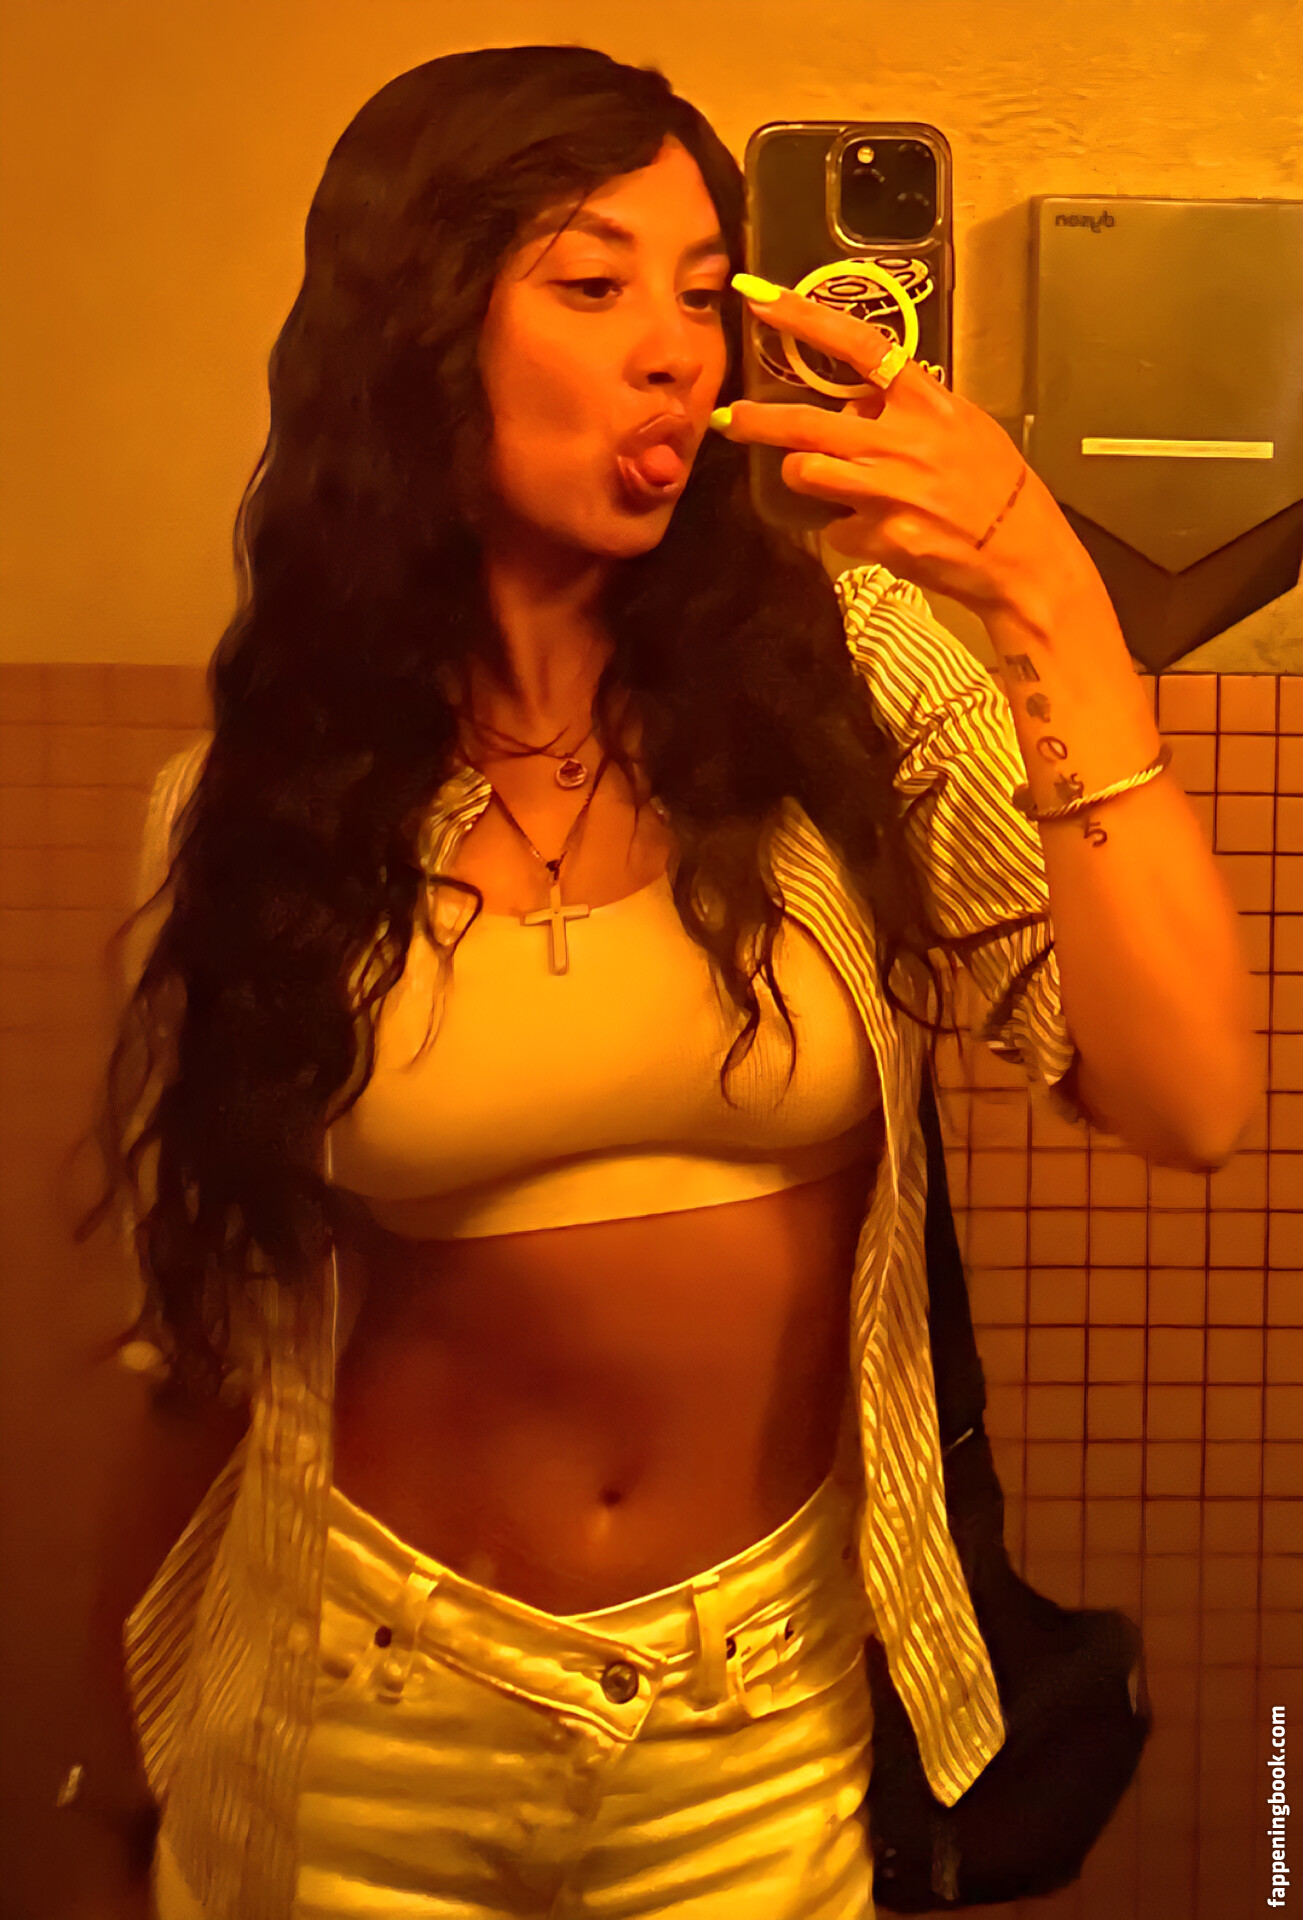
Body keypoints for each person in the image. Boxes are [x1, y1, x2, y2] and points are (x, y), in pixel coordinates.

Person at [68, 42, 1256, 1920]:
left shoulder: (847, 675)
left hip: (759, 1737)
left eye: (703, 296)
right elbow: (198, 1348)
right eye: (593, 282)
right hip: (359, 1719)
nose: (675, 354)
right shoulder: (252, 804)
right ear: (418, 327)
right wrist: (99, 1770)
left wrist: (1042, 586)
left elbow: (1191, 1097)